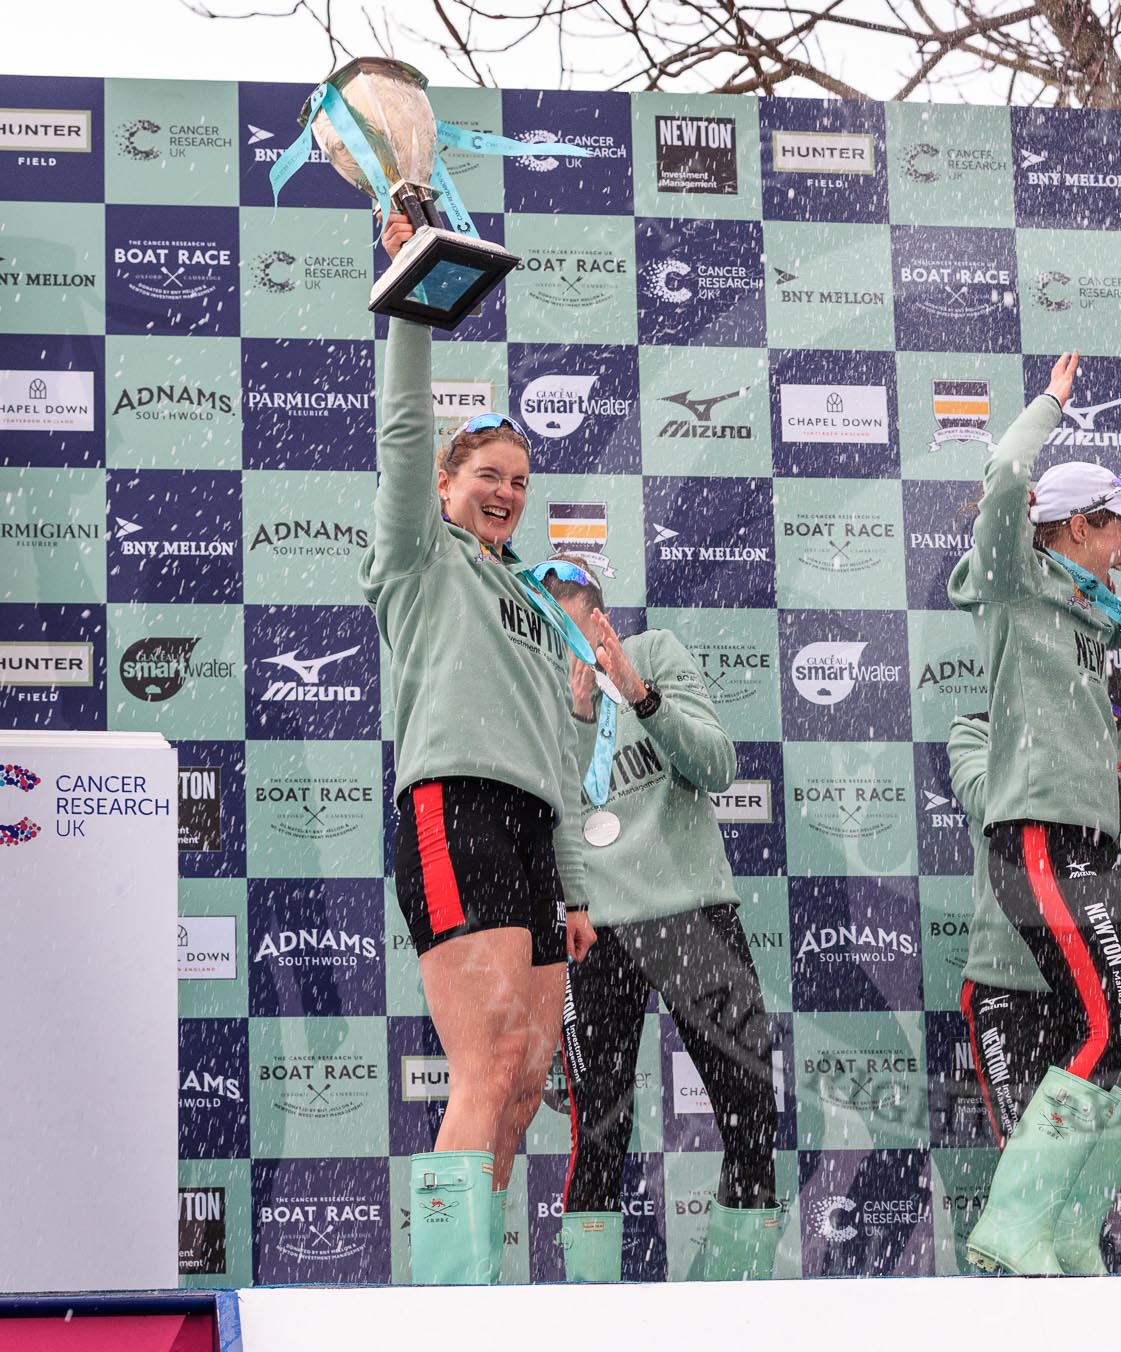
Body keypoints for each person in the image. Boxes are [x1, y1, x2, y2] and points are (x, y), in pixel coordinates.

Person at [363, 211, 598, 1285]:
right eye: (488, 474)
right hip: (450, 809)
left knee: (529, 1079)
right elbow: (405, 429)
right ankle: (444, 1305)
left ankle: (481, 1295)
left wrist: (575, 885)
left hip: (530, 831)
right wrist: (413, 295)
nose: (505, 493)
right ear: (448, 483)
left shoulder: (536, 602)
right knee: (488, 1059)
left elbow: (559, 757)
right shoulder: (419, 555)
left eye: (519, 481)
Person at [948, 351, 1121, 1275]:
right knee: (1106, 1021)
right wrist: (1053, 403)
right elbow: (1005, 478)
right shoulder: (1015, 576)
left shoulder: (1100, 614)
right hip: (1038, 838)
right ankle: (1016, 1228)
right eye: (1120, 529)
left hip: (1092, 847)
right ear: (1078, 525)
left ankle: (1067, 1230)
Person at [534, 558, 783, 1283]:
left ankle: (732, 1295)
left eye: (575, 636)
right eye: (548, 639)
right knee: (599, 1129)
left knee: (751, 1109)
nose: (566, 657)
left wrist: (640, 695)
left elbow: (718, 767)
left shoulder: (655, 654)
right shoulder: (531, 694)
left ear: (602, 623)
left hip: (691, 914)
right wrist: (572, 716)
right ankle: (587, 1309)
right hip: (593, 931)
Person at [948, 661, 1121, 1274]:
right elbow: (996, 805)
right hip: (1009, 977)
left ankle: (1075, 1237)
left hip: (1090, 967)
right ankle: (1020, 1250)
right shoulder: (977, 729)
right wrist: (1062, 745)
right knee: (1023, 1166)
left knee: (1086, 1163)